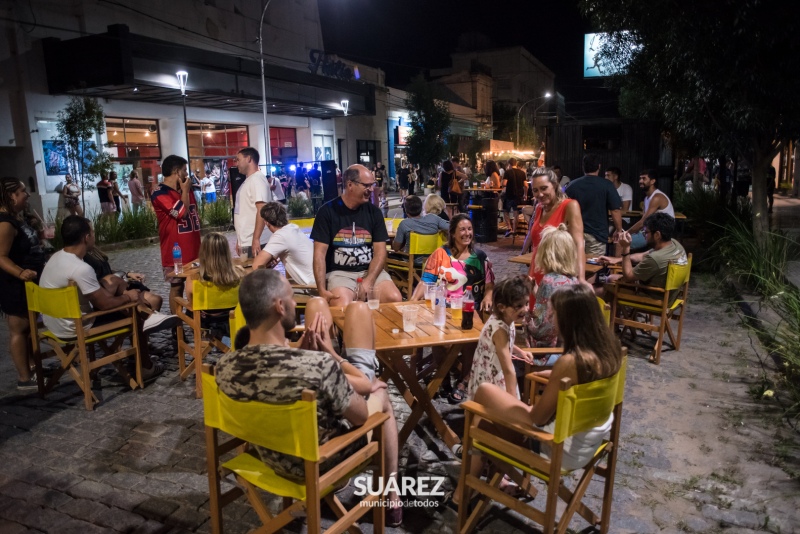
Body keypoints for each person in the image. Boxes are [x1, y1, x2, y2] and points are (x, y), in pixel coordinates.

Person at [215, 269, 403, 526]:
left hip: (267, 456)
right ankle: (392, 496)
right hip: (317, 463)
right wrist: (330, 357)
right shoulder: (318, 367)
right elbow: (360, 418)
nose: (296, 305)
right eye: (292, 298)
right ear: (280, 307)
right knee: (380, 393)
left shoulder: (223, 368)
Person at [451, 284, 623, 508]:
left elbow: (538, 419)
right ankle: (465, 493)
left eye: (556, 315)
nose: (553, 321)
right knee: (484, 420)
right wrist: (555, 377)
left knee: (483, 401)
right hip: (591, 442)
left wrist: (516, 403)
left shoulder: (570, 363)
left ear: (571, 320)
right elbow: (585, 381)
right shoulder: (611, 351)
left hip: (557, 448)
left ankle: (461, 497)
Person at [39, 216, 165, 378]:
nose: (94, 235)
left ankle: (150, 316)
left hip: (54, 322)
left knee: (115, 282)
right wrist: (130, 297)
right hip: (75, 326)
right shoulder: (80, 268)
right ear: (86, 237)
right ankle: (146, 366)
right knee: (134, 313)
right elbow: (106, 305)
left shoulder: (55, 258)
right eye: (92, 232)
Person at [410, 214, 495, 403]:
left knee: (471, 334)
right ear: (453, 233)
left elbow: (490, 283)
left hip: (468, 306)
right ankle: (444, 376)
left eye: (470, 229)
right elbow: (426, 280)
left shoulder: (480, 257)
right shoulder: (440, 254)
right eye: (462, 230)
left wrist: (489, 295)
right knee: (439, 334)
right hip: (443, 304)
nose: (467, 233)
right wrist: (413, 300)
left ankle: (464, 379)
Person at [311, 165, 402, 307]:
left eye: (372, 185)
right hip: (340, 273)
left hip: (369, 271)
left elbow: (380, 252)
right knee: (342, 305)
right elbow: (319, 255)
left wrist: (369, 281)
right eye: (366, 185)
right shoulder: (327, 212)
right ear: (350, 185)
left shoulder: (374, 212)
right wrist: (321, 289)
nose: (371, 189)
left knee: (394, 298)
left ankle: (377, 329)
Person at [0, 178, 46, 389]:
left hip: (29, 283)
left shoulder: (15, 219)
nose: (26, 195)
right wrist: (21, 273)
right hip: (15, 285)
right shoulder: (5, 223)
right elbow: (1, 256)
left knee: (29, 328)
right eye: (22, 191)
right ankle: (24, 378)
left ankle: (31, 367)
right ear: (11, 196)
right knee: (18, 328)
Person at [466, 276, 533, 401]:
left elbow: (505, 345)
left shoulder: (507, 318)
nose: (525, 309)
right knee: (492, 411)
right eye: (518, 306)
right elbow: (508, 370)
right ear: (502, 307)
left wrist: (520, 352)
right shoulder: (499, 330)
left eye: (526, 303)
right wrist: (513, 402)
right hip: (492, 375)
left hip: (491, 369)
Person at [151, 154, 202, 314]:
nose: (187, 174)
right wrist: (185, 191)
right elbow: (181, 213)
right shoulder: (160, 193)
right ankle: (177, 327)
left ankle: (198, 323)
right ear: (176, 171)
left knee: (197, 286)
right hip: (176, 251)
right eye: (184, 170)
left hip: (195, 249)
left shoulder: (186, 189)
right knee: (177, 286)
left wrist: (186, 190)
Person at [600, 212, 687, 302]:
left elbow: (628, 277)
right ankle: (615, 312)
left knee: (610, 281)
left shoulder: (655, 259)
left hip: (654, 297)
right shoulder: (674, 244)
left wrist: (626, 248)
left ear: (657, 235)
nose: (644, 235)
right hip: (670, 296)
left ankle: (609, 312)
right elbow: (642, 256)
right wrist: (617, 260)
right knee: (614, 281)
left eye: (646, 232)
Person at [523, 168, 586, 284]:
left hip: (559, 274)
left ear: (554, 185)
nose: (540, 194)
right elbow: (536, 247)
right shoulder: (539, 208)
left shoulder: (570, 206)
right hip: (536, 273)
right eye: (535, 190)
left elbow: (579, 244)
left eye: (544, 188)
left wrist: (581, 278)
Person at [525, 224, 580, 354]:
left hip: (553, 351)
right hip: (572, 346)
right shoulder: (573, 280)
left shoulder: (549, 280)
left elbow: (541, 325)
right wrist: (535, 289)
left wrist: (527, 317)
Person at [185, 232, 245, 340]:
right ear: (226, 252)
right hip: (232, 321)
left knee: (189, 309)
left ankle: (212, 338)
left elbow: (191, 301)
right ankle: (224, 339)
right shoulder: (239, 275)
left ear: (203, 253)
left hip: (206, 324)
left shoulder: (195, 278)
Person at [565, 153, 622, 258]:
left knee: (573, 264)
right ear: (599, 167)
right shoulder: (607, 185)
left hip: (574, 232)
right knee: (593, 266)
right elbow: (615, 210)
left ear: (583, 167)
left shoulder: (572, 185)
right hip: (597, 234)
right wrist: (619, 230)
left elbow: (563, 208)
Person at [252, 202, 315, 285]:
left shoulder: (280, 236)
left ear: (266, 223)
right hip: (317, 280)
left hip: (311, 286)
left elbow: (256, 266)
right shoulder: (292, 227)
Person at [234, 147, 272, 258]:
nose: (236, 164)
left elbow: (261, 210)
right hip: (247, 240)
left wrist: (256, 239)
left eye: (238, 160)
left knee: (257, 275)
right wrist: (239, 240)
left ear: (249, 159)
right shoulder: (249, 180)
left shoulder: (257, 180)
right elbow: (244, 212)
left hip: (256, 242)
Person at [623, 169, 675, 251]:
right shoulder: (647, 198)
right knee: (622, 239)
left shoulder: (657, 197)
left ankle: (618, 263)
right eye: (640, 178)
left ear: (652, 181)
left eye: (644, 178)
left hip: (659, 234)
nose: (640, 181)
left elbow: (643, 222)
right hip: (649, 231)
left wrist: (626, 233)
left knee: (621, 242)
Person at [501, 157, 527, 238]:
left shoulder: (507, 172)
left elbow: (504, 184)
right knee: (516, 213)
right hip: (518, 196)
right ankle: (515, 231)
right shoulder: (522, 173)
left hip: (509, 195)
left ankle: (509, 229)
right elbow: (526, 185)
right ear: (516, 163)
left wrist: (503, 182)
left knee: (505, 211)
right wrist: (525, 194)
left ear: (509, 164)